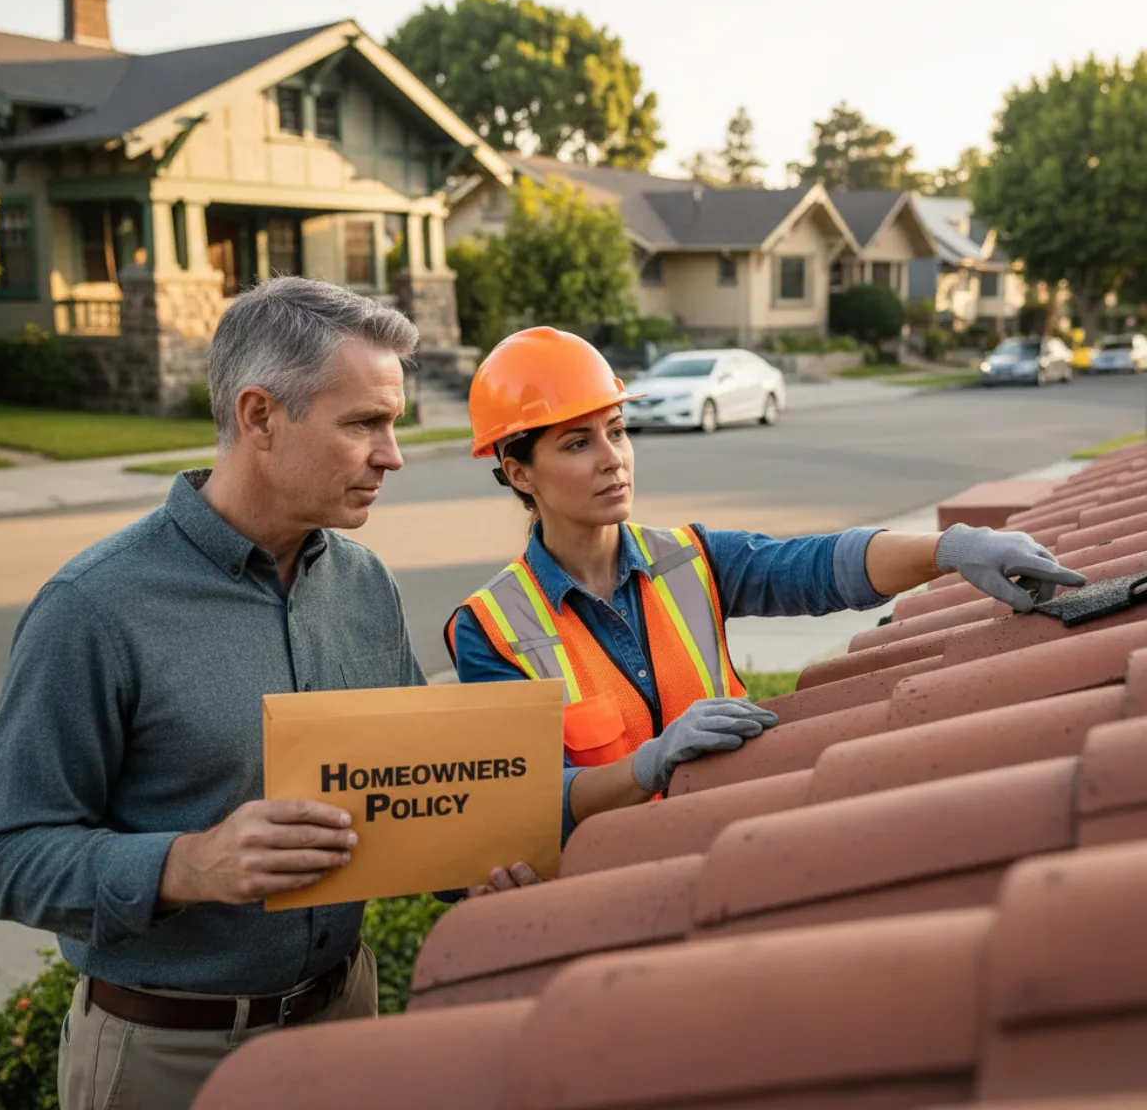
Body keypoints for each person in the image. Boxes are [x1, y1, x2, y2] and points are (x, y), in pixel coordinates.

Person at [0, 277, 424, 1109]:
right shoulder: (94, 605)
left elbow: (418, 781)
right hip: (166, 1056)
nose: (391, 454)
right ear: (259, 418)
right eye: (364, 424)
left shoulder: (366, 585)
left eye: (390, 424)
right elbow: (2, 857)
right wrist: (189, 864)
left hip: (349, 1013)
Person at [446, 326, 1087, 890]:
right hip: (609, 888)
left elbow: (816, 568)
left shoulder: (691, 557)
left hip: (726, 851)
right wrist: (646, 765)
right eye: (577, 443)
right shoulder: (493, 628)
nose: (613, 458)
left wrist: (950, 547)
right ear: (520, 472)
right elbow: (529, 801)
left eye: (616, 431)